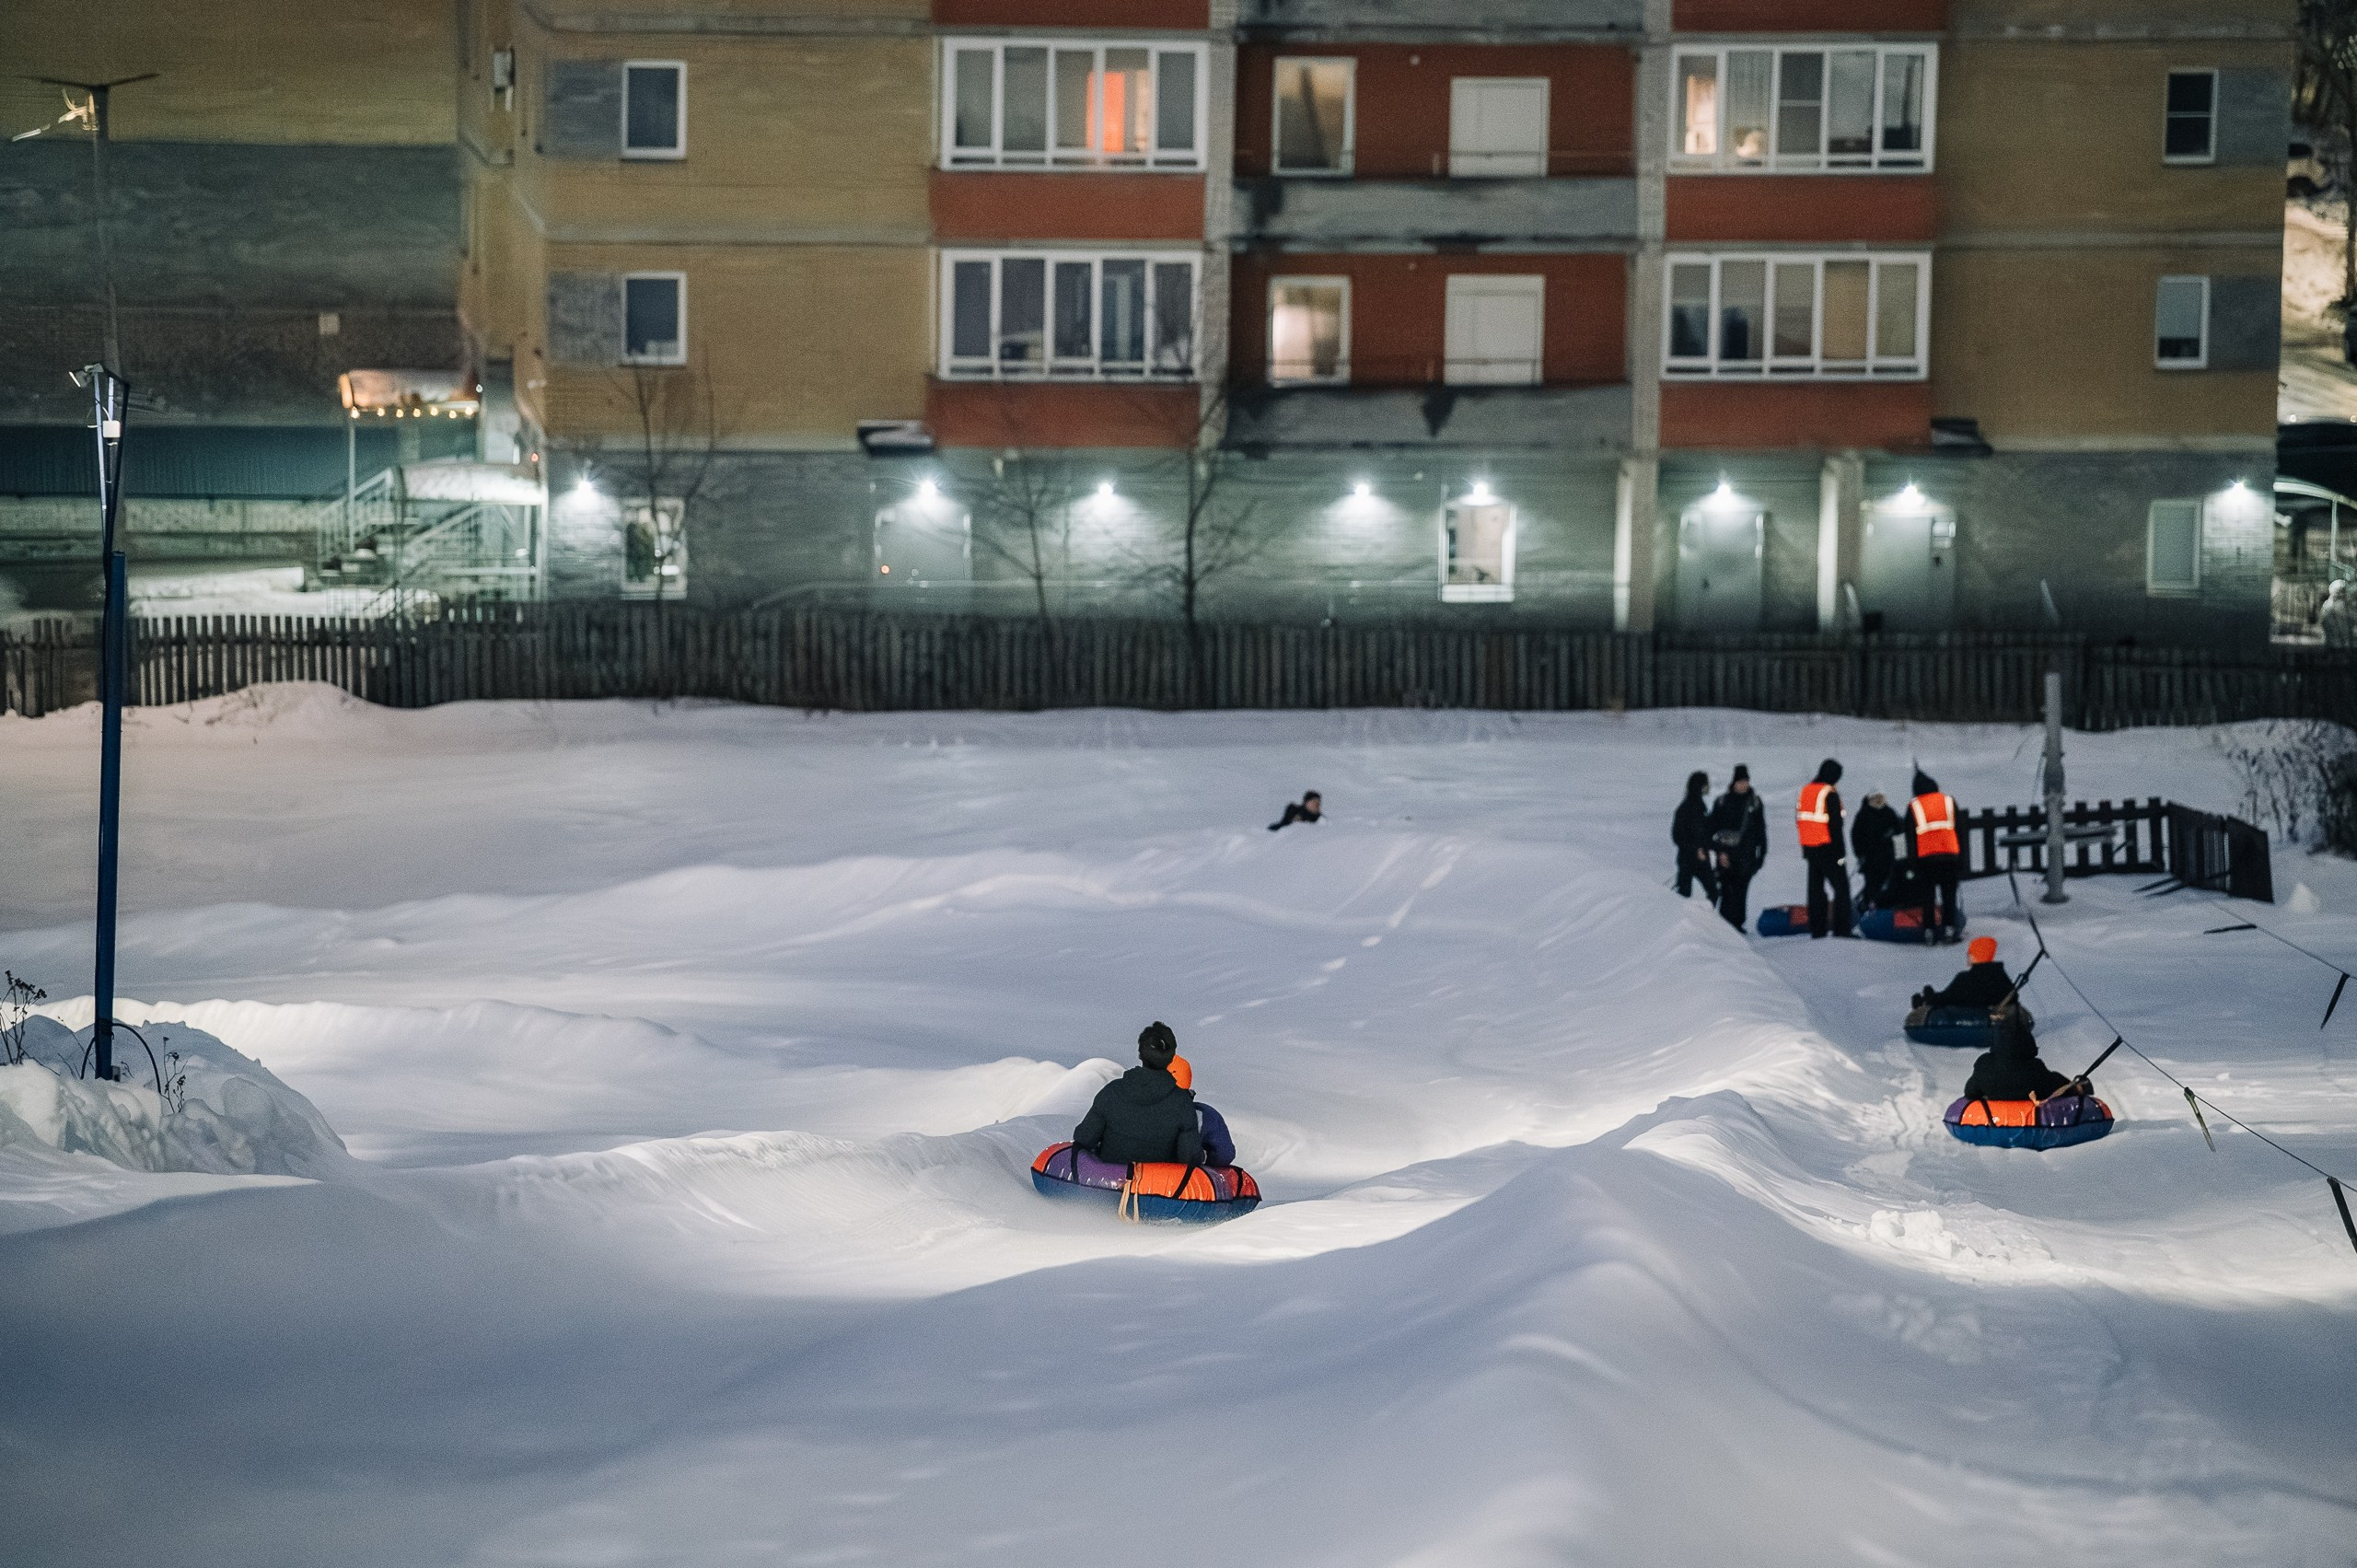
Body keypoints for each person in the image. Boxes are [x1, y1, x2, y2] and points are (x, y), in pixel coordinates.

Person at [1072, 1021, 1205, 1166]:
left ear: (1141, 1054)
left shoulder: (1112, 1092)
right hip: (1161, 1185)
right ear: (1171, 1057)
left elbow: (1084, 1138)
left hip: (1108, 1180)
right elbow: (1189, 1157)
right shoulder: (1183, 1103)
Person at [1795, 757, 1854, 938]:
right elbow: (1835, 827)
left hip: (1811, 849)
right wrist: (1840, 854)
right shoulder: (1829, 793)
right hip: (1829, 848)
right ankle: (1842, 929)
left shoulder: (1806, 791)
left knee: (1815, 890)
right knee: (1841, 888)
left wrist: (1805, 848)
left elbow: (1800, 821)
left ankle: (1817, 928)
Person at [1905, 769, 1964, 944]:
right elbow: (1960, 829)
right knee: (1949, 896)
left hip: (1926, 860)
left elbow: (1909, 837)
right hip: (1950, 857)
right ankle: (1949, 929)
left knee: (1928, 898)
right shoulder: (1948, 801)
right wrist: (1961, 858)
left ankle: (1929, 932)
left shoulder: (1914, 806)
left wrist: (1911, 863)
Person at [1706, 765, 1767, 932]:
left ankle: (1738, 926)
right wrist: (1719, 851)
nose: (1743, 785)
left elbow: (1761, 831)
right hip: (1725, 856)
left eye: (1745, 781)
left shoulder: (1754, 803)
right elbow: (1710, 830)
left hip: (1746, 856)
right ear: (1733, 783)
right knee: (1726, 891)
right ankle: (1725, 927)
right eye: (1740, 782)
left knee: (1741, 892)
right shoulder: (1722, 802)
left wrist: (1761, 856)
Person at [1167, 1055, 1237, 1167]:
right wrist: (1203, 1157)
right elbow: (1225, 1154)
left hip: (1139, 1179)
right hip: (1186, 1180)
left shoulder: (1135, 1110)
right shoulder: (1205, 1115)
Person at [1852, 791, 1903, 910]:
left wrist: (1901, 857)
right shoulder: (1863, 815)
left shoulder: (1890, 813)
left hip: (1888, 859)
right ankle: (1869, 908)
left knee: (1888, 885)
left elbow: (1899, 836)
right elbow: (1856, 837)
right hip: (1870, 861)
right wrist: (1860, 855)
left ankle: (1881, 909)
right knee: (1872, 885)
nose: (1878, 801)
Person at [1672, 771, 1717, 901]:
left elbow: (1703, 833)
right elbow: (1678, 836)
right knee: (1687, 895)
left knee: (1709, 891)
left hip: (1695, 857)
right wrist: (1696, 849)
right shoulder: (1689, 808)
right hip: (1691, 858)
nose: (1707, 788)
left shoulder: (1697, 806)